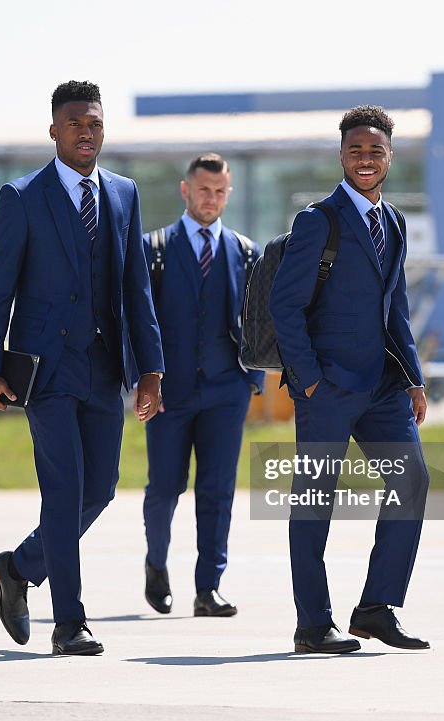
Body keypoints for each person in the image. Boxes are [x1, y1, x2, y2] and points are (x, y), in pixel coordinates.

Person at [0, 80, 164, 655]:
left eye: (96, 123)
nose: (87, 131)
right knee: (62, 491)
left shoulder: (124, 194)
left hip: (103, 369)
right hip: (45, 371)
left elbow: (137, 290)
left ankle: (19, 566)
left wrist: (150, 368)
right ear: (54, 130)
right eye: (76, 122)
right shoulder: (22, 196)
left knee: (100, 488)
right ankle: (69, 622)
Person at [270, 105, 431, 654]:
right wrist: (310, 382)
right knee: (314, 502)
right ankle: (313, 624)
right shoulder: (320, 220)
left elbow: (397, 309)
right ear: (342, 155)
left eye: (376, 150)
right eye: (356, 150)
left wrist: (413, 377)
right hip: (328, 389)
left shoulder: (394, 222)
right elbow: (283, 306)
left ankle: (376, 609)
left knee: (410, 484)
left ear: (391, 156)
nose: (366, 158)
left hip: (383, 388)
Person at [140, 153, 264, 618]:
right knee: (165, 488)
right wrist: (144, 379)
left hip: (226, 390)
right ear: (185, 190)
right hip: (168, 392)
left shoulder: (246, 251)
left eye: (220, 191)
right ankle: (156, 563)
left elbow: (258, 321)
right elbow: (139, 320)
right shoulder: (153, 249)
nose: (211, 199)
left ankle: (208, 587)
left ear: (228, 194)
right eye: (203, 189)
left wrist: (250, 380)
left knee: (217, 491)